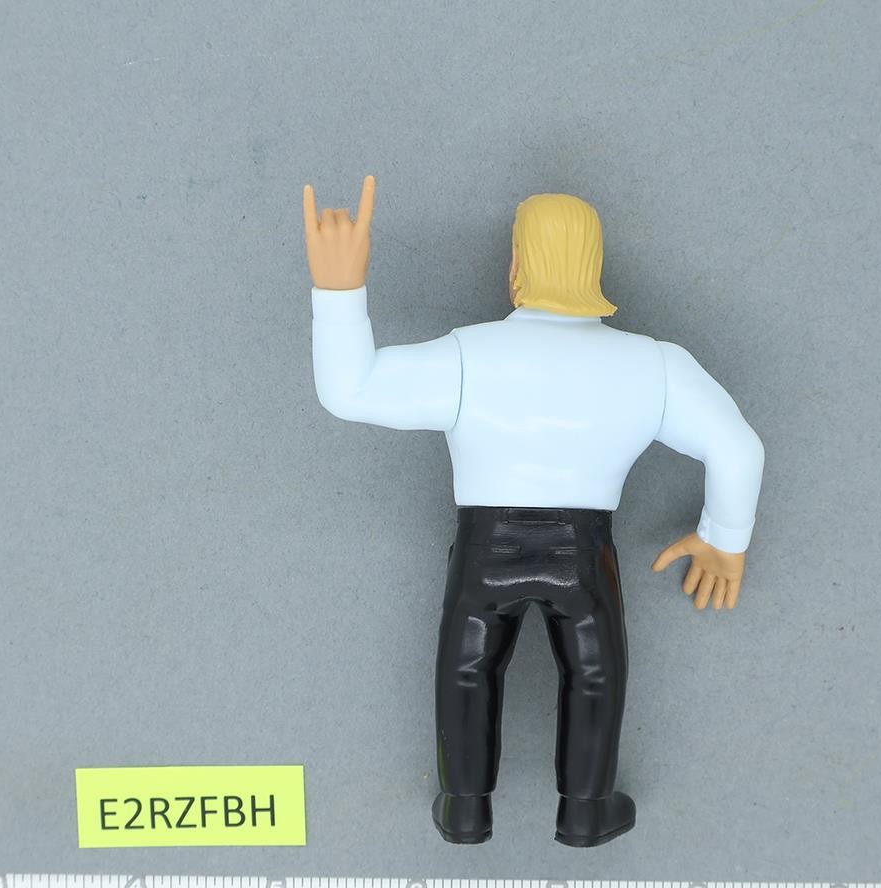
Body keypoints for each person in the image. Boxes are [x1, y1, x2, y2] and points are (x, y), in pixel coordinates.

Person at [302, 176, 765, 847]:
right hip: (584, 554)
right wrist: (724, 537)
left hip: (484, 548)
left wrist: (339, 291)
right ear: (593, 264)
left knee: (465, 669)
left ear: (517, 265)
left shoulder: (468, 355)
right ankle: (586, 810)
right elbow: (739, 449)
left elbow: (352, 390)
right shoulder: (653, 365)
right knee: (596, 673)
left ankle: (464, 808)